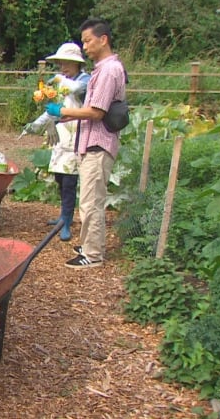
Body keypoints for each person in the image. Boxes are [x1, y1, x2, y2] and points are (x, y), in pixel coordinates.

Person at [44, 18, 127, 269]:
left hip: (98, 144)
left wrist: (62, 109)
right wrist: (65, 115)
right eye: (83, 42)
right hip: (91, 142)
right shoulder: (103, 69)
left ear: (104, 40)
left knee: (92, 202)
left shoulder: (109, 70)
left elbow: (96, 112)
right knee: (89, 199)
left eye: (88, 41)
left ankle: (92, 255)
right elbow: (91, 110)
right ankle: (90, 244)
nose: (86, 46)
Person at [22, 42, 90, 241]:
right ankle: (63, 215)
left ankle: (67, 222)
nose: (63, 68)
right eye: (60, 64)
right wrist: (35, 125)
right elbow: (53, 108)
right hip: (61, 137)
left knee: (70, 181)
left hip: (78, 135)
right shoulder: (63, 82)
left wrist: (60, 80)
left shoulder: (84, 80)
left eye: (67, 63)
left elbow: (77, 90)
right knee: (60, 179)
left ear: (77, 64)